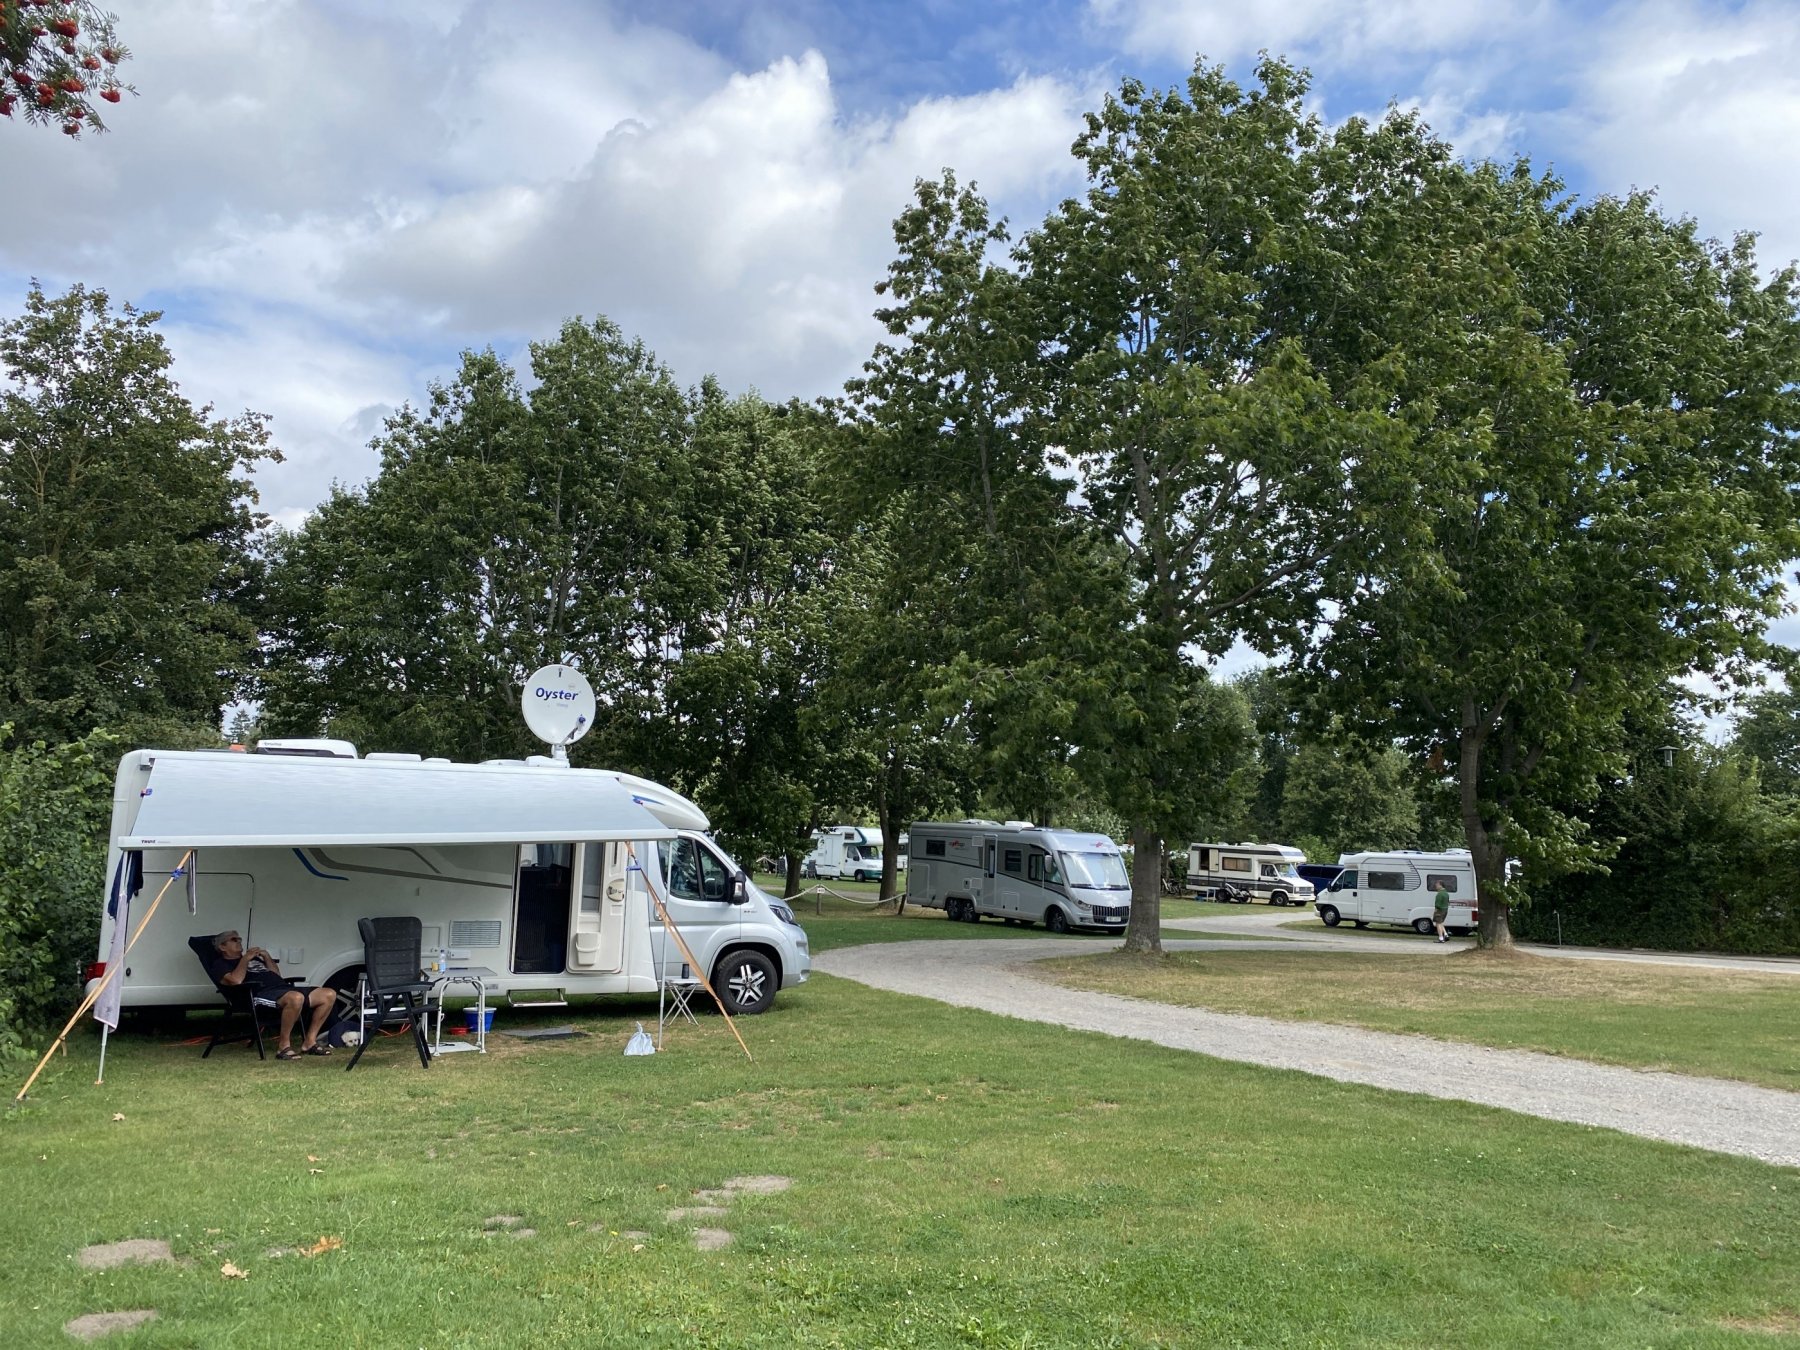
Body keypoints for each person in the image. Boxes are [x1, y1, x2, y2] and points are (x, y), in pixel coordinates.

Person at [202, 930, 335, 1059]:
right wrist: (245, 959)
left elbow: (276, 975)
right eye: (234, 939)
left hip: (282, 988)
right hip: (258, 994)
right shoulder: (220, 964)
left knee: (328, 994)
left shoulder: (255, 960)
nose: (239, 941)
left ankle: (309, 1042)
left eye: (239, 939)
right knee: (295, 998)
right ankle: (284, 1047)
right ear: (222, 946)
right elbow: (236, 980)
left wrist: (266, 957)